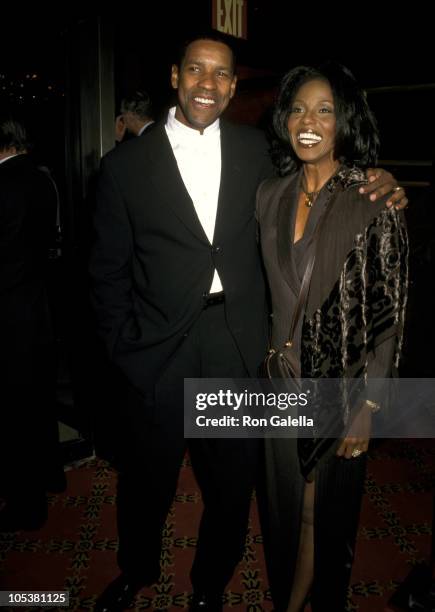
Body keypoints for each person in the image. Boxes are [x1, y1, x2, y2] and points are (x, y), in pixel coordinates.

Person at [89, 34, 406, 612]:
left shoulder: (258, 151)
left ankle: (210, 583)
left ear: (234, 87)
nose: (207, 84)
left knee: (231, 487)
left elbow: (323, 170)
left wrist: (379, 180)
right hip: (155, 351)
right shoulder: (123, 167)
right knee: (146, 483)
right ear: (175, 76)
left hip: (236, 348)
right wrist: (122, 348)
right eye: (195, 70)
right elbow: (105, 276)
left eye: (221, 75)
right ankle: (135, 572)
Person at [256, 62, 409, 611]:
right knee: (282, 511)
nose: (309, 120)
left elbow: (387, 312)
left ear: (345, 120)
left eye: (325, 109)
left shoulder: (373, 199)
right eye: (297, 108)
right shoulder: (269, 195)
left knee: (323, 515)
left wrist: (370, 403)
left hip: (336, 388)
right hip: (277, 387)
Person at [0, 115, 65, 532]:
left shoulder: (3, 184)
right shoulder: (44, 179)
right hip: (39, 308)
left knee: (15, 413)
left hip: (8, 315)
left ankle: (28, 507)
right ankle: (51, 475)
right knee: (39, 401)